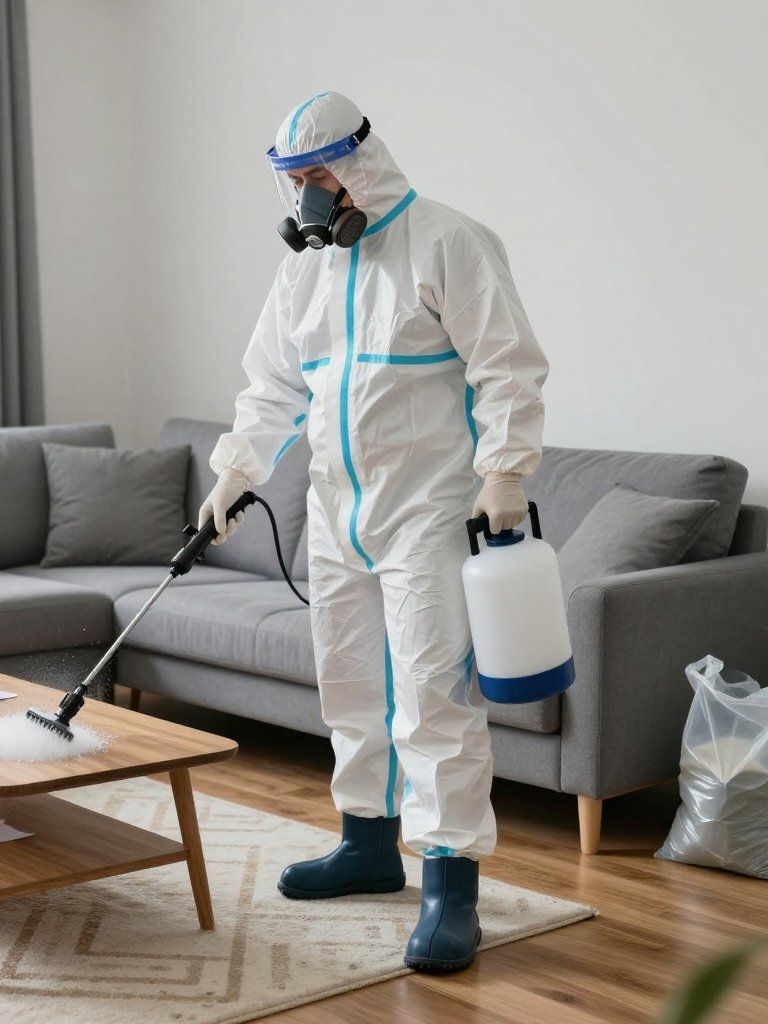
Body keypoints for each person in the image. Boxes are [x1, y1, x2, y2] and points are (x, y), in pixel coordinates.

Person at [199, 91, 548, 972]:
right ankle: (364, 843)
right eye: (294, 180)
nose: (310, 195)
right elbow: (272, 387)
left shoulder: (448, 241)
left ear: (363, 160)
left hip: (428, 507)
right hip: (332, 509)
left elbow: (507, 364)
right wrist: (237, 471)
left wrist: (506, 471)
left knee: (433, 694)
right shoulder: (303, 273)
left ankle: (448, 880)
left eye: (321, 173)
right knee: (350, 681)